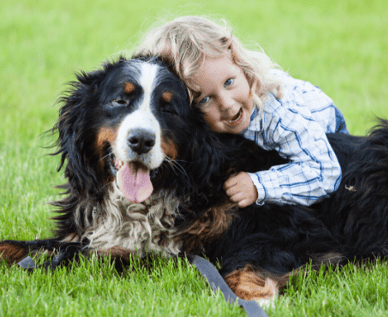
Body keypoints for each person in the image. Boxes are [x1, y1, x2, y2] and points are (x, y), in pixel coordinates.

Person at [137, 16, 349, 208]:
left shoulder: (278, 114)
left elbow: (324, 172)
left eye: (229, 82)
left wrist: (259, 185)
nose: (228, 105)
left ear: (236, 57)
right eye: (205, 99)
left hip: (330, 137)